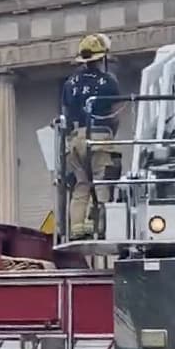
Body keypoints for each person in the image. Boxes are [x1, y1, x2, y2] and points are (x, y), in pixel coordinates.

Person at [61, 33, 121, 240]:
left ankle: (77, 229)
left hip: (75, 140)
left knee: (81, 186)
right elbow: (114, 114)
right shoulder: (108, 81)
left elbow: (66, 112)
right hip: (99, 137)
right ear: (101, 58)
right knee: (102, 183)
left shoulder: (70, 83)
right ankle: (98, 226)